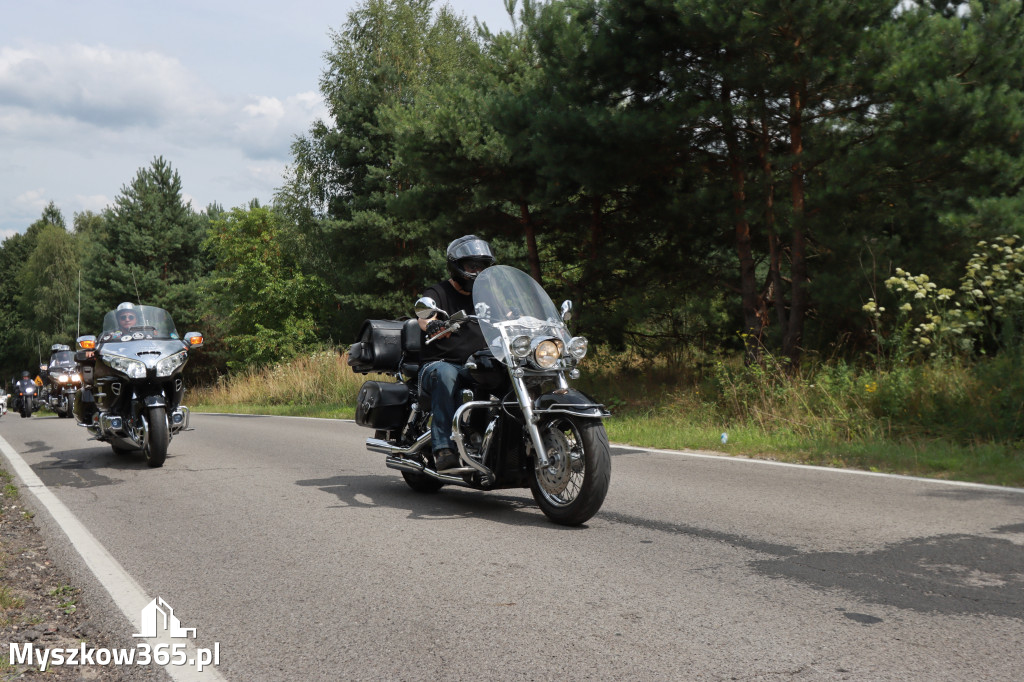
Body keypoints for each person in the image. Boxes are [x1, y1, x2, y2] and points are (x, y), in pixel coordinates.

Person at [418, 235, 496, 471]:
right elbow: (424, 317)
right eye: (472, 265)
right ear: (456, 266)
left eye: (482, 266)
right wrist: (432, 324)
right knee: (445, 374)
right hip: (441, 363)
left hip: (477, 364)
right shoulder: (437, 292)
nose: (477, 271)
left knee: (506, 372)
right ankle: (443, 448)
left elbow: (509, 315)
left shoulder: (487, 295)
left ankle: (497, 439)